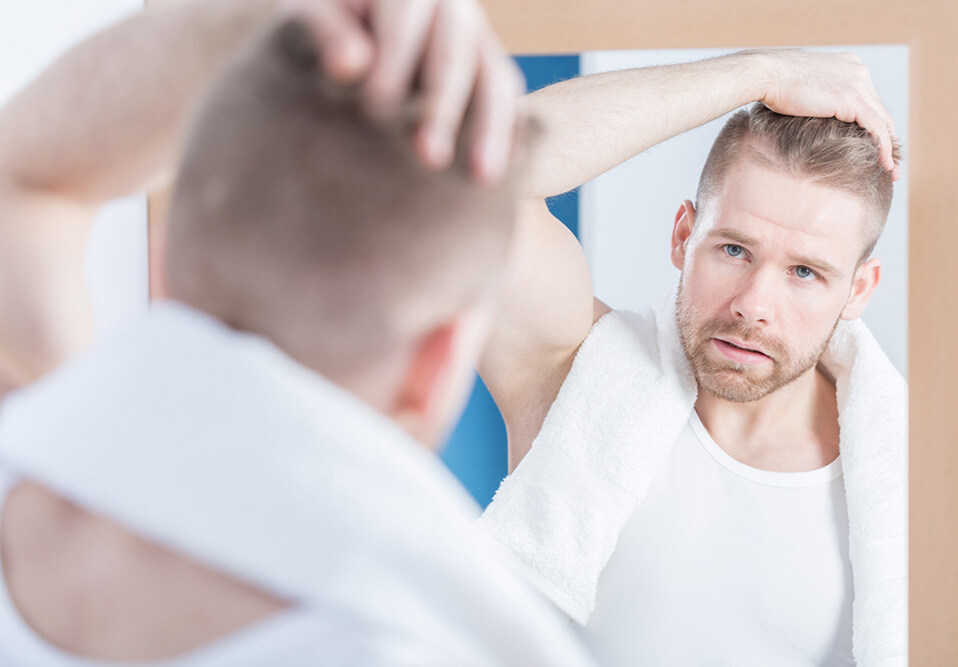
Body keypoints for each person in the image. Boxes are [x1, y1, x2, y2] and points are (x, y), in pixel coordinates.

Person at [0, 1, 596, 664]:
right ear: (439, 361)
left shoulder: (28, 443)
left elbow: (25, 175)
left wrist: (276, 15)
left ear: (162, 266)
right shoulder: (446, 642)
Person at [476, 59, 906, 664]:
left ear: (858, 290)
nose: (754, 306)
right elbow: (480, 166)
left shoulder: (918, 484)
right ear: (683, 235)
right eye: (734, 249)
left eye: (804, 272)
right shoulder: (573, 380)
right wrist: (765, 72)